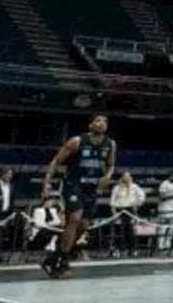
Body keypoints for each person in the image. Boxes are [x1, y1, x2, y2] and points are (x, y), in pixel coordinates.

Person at [40, 115, 116, 278]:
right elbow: (56, 161)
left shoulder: (110, 144)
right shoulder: (77, 141)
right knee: (74, 218)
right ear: (90, 125)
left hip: (91, 188)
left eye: (104, 121)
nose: (101, 123)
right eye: (98, 121)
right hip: (73, 184)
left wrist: (108, 176)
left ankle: (54, 257)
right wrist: (46, 184)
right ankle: (64, 262)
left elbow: (111, 165)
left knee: (83, 225)